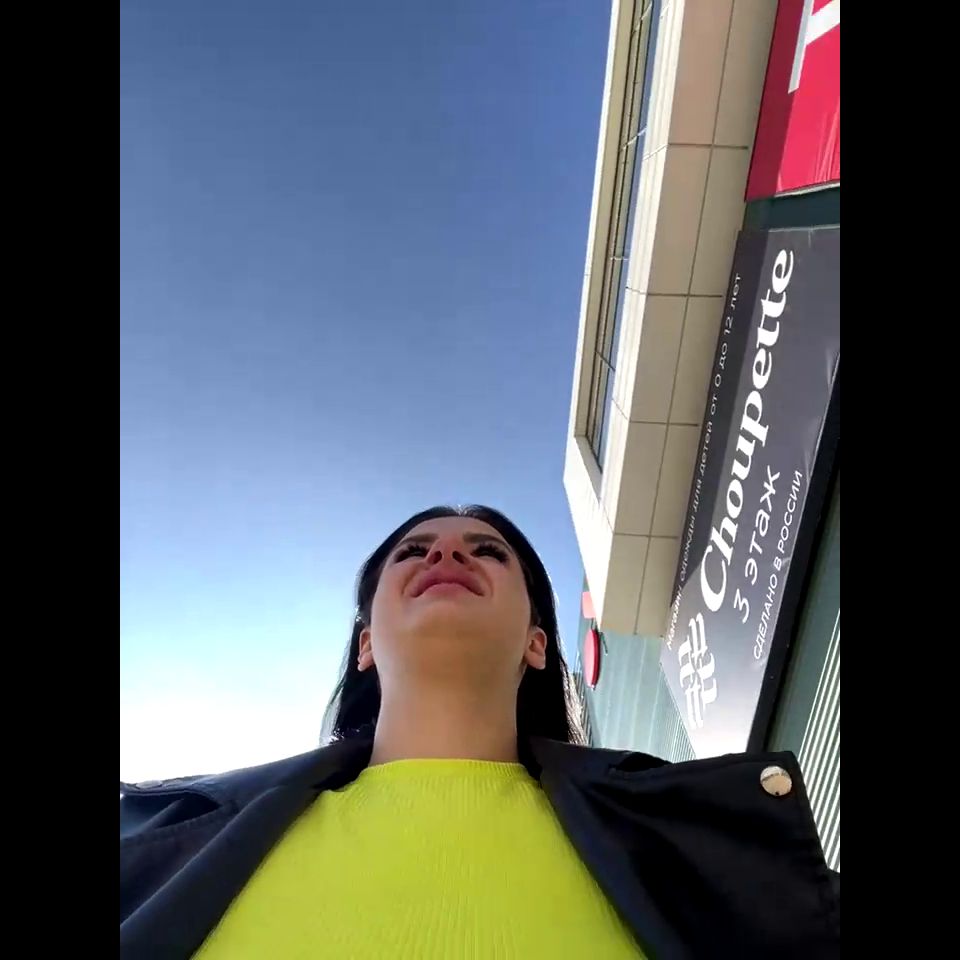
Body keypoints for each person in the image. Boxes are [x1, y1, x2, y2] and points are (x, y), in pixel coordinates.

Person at [120, 505, 840, 959]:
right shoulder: (169, 839)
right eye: (414, 551)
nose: (446, 555)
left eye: (488, 551)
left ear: (536, 643)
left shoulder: (700, 849)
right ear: (366, 644)